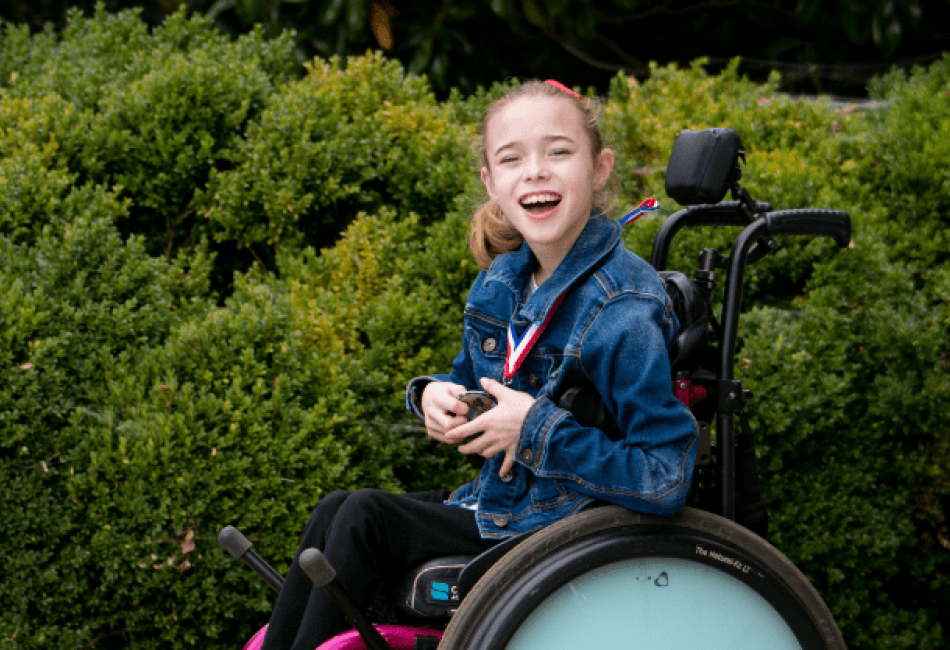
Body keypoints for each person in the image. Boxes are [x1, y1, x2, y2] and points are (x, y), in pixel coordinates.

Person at [259, 79, 698, 650]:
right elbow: (468, 378)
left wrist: (533, 427)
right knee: (336, 509)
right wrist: (437, 397)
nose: (535, 171)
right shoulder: (502, 281)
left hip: (566, 523)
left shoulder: (621, 309)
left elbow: (665, 477)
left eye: (558, 151)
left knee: (364, 518)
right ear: (491, 181)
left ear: (599, 168)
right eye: (512, 159)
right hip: (508, 500)